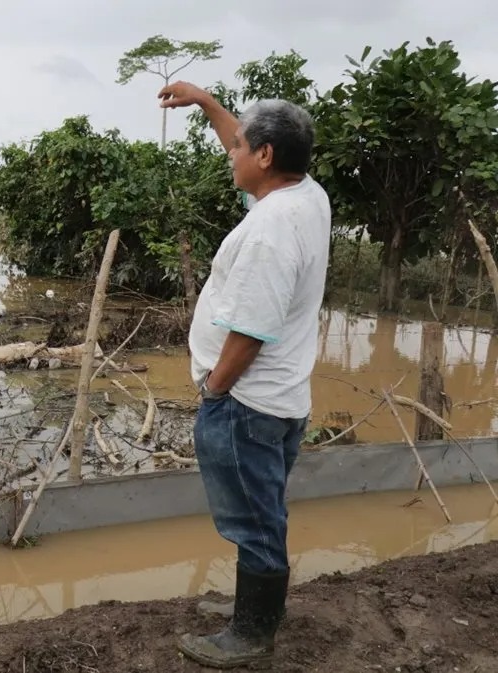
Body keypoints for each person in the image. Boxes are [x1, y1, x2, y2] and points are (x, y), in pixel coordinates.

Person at [157, 81, 331, 668]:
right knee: (263, 510)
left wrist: (214, 388)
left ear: (264, 157)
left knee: (253, 521)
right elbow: (239, 134)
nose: (229, 151)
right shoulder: (305, 195)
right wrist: (205, 102)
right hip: (281, 398)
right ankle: (254, 609)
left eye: (239, 147)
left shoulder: (270, 228)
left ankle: (253, 633)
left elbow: (251, 330)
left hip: (247, 404)